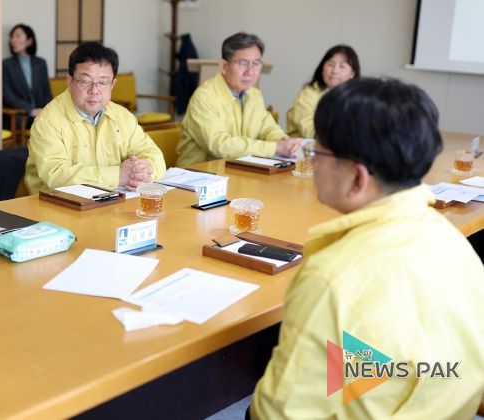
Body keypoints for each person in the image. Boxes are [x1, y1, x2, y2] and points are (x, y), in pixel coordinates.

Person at [250, 78, 484, 419]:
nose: (312, 162)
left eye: (318, 152)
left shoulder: (332, 279)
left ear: (357, 179)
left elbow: (278, 414)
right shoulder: (455, 245)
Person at [25, 42, 165, 195]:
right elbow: (56, 175)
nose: (94, 90)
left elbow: (153, 155)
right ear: (70, 82)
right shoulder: (47, 121)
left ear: (112, 84)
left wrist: (145, 171)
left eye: (103, 82)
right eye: (85, 81)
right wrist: (118, 176)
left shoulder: (123, 116)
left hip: (111, 202)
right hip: (55, 204)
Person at [176, 32, 302, 167]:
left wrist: (285, 141)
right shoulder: (204, 97)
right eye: (243, 63)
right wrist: (275, 147)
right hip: (198, 174)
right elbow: (220, 145)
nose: (250, 71)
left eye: (256, 63)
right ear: (224, 67)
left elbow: (267, 128)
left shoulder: (254, 94)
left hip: (237, 169)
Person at [286, 45, 360, 139]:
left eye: (342, 66)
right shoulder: (308, 94)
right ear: (322, 69)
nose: (335, 71)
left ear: (352, 73)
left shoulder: (358, 97)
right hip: (307, 145)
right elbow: (309, 131)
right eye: (331, 65)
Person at [2, 24, 52, 125]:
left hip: (42, 114)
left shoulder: (40, 63)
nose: (13, 40)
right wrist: (31, 110)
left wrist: (46, 110)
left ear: (29, 41)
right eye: (12, 37)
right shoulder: (6, 65)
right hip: (20, 115)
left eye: (18, 36)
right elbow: (8, 95)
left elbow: (46, 92)